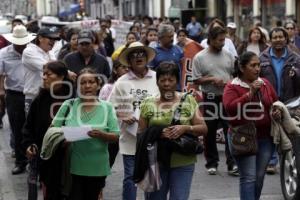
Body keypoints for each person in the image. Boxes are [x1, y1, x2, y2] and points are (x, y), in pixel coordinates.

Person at [138, 61, 207, 200]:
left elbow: (203, 128)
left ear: (177, 81)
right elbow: (141, 134)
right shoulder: (147, 103)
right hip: (156, 162)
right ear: (157, 82)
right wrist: (158, 133)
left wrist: (186, 128)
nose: (167, 84)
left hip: (183, 162)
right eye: (162, 80)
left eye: (171, 80)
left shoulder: (188, 100)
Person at [51, 68, 120, 200]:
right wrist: (63, 139)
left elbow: (116, 136)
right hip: (72, 165)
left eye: (91, 82)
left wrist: (101, 135)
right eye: (82, 83)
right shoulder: (68, 105)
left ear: (98, 85)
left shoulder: (107, 107)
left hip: (97, 166)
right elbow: (52, 130)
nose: (87, 86)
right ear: (77, 86)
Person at [223, 51, 278, 200]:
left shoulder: (265, 83)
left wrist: (276, 111)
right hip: (243, 137)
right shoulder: (232, 86)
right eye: (253, 65)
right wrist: (250, 93)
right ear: (242, 68)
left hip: (265, 138)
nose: (257, 69)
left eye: (258, 65)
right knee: (248, 177)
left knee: (259, 177)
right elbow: (231, 108)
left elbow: (274, 102)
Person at [108, 41, 159, 200]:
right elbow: (109, 108)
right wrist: (123, 115)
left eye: (141, 54)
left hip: (152, 137)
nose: (138, 57)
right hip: (129, 138)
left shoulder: (158, 77)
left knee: (150, 177)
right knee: (130, 178)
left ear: (146, 58)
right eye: (134, 55)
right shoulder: (121, 82)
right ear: (129, 61)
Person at [22, 61, 73, 199]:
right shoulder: (39, 100)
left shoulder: (74, 99)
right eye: (43, 74)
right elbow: (28, 128)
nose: (44, 77)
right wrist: (29, 145)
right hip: (48, 159)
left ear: (62, 76)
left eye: (48, 74)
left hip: (72, 158)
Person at [192, 26, 237, 176]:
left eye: (224, 39)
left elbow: (234, 76)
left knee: (229, 129)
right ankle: (211, 163)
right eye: (220, 40)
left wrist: (228, 83)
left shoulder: (229, 56)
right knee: (209, 131)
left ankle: (232, 164)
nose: (223, 43)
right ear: (210, 40)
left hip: (227, 97)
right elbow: (196, 80)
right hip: (209, 97)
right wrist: (211, 79)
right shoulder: (199, 57)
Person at [260, 27, 300, 174]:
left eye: (280, 37)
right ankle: (271, 161)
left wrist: (296, 73)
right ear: (270, 41)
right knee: (270, 131)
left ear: (286, 39)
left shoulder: (295, 58)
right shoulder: (262, 58)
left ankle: (288, 161)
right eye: (275, 37)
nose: (278, 40)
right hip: (269, 101)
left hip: (290, 101)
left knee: (289, 131)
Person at [0, 24, 36, 174]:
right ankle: (21, 161)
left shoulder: (34, 51)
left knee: (34, 127)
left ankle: (35, 160)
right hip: (14, 94)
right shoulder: (3, 53)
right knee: (17, 128)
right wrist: (1, 90)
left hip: (34, 93)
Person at [22, 27, 60, 114]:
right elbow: (50, 68)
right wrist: (67, 72)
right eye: (50, 38)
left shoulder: (50, 52)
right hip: (34, 97)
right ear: (40, 38)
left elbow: (56, 68)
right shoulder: (29, 51)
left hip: (50, 96)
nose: (53, 41)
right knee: (33, 126)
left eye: (54, 39)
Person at [99, 60, 129, 167]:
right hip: (112, 129)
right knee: (107, 159)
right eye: (123, 67)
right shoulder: (108, 87)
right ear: (115, 70)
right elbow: (103, 108)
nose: (126, 69)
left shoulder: (130, 85)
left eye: (128, 67)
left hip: (127, 130)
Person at [149, 24, 183, 90]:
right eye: (169, 37)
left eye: (172, 36)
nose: (172, 39)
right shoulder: (153, 52)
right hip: (159, 89)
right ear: (161, 37)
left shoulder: (179, 50)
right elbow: (151, 72)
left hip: (177, 89)